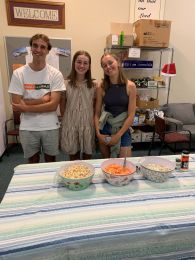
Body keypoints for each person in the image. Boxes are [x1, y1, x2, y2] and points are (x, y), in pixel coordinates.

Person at [8, 34, 66, 163]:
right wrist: (42, 100)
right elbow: (17, 104)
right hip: (28, 127)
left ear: (47, 50)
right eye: (35, 45)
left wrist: (26, 106)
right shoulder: (19, 73)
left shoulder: (56, 74)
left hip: (50, 126)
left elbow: (53, 106)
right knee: (32, 164)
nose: (38, 50)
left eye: (42, 47)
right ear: (30, 48)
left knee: (50, 163)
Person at [94, 52, 136, 158]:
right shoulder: (101, 87)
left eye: (110, 62)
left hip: (123, 129)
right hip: (105, 129)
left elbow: (131, 116)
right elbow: (97, 113)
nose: (108, 67)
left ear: (118, 62)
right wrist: (98, 134)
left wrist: (118, 136)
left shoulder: (130, 86)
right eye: (104, 65)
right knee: (107, 164)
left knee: (124, 165)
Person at [60, 50, 97, 161]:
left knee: (87, 156)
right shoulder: (65, 84)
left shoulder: (94, 86)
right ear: (74, 63)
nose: (82, 65)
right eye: (79, 62)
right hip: (70, 124)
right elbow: (62, 105)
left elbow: (95, 106)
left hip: (87, 125)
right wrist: (66, 120)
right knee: (73, 157)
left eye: (85, 63)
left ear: (89, 66)